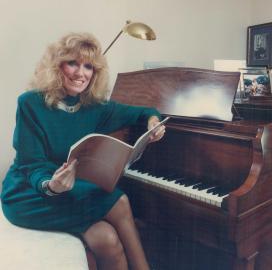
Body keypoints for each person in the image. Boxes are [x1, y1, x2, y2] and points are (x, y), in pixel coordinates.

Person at [0, 32, 166, 270]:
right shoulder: (29, 103)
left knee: (107, 239)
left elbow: (143, 111)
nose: (81, 73)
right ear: (57, 66)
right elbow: (31, 164)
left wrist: (153, 121)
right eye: (73, 63)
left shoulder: (95, 107)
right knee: (119, 201)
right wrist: (51, 185)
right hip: (30, 193)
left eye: (88, 66)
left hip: (69, 190)